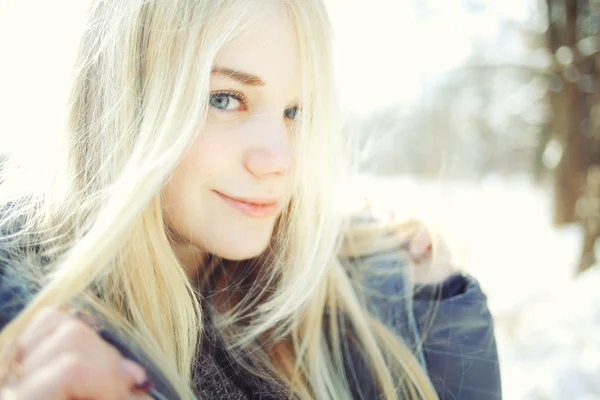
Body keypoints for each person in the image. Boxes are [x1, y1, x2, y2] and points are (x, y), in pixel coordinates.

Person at [0, 1, 501, 399]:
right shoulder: (29, 338)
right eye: (225, 98)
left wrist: (431, 312)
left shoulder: (357, 300)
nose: (280, 159)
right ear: (122, 101)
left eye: (294, 111)